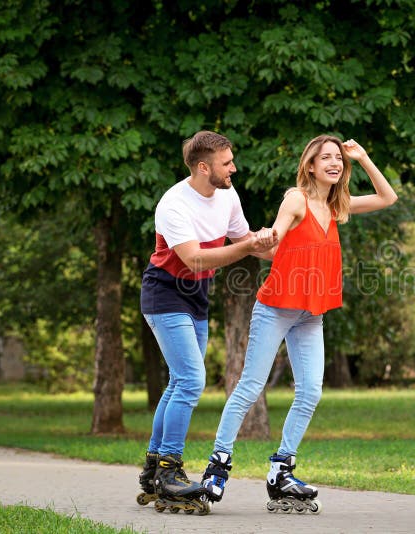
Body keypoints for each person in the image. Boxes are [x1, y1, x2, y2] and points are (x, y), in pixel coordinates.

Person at [200, 135, 398, 513]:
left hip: (310, 313)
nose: (334, 163)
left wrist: (365, 156)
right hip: (276, 307)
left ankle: (281, 469)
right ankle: (218, 464)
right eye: (325, 157)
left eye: (338, 158)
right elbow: (276, 238)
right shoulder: (297, 198)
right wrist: (264, 238)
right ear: (310, 166)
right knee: (250, 387)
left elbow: (387, 198)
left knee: (310, 391)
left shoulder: (337, 206)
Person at [137, 131, 277, 511]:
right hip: (165, 295)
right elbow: (195, 259)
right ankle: (170, 470)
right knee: (191, 380)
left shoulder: (228, 195)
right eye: (226, 162)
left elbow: (245, 238)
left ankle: (153, 469)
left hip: (196, 298)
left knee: (177, 383)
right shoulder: (173, 204)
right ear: (203, 167)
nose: (234, 168)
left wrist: (283, 251)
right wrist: (248, 247)